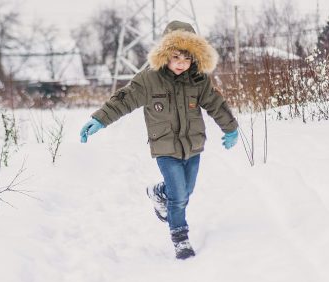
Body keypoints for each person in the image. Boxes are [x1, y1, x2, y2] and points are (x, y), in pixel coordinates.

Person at [80, 20, 239, 260]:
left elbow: (216, 104)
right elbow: (125, 99)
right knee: (178, 195)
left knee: (186, 191)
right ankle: (180, 237)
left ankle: (158, 192)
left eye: (187, 59)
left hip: (193, 146)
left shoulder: (198, 79)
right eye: (176, 58)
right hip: (165, 147)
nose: (181, 65)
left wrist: (231, 129)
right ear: (165, 55)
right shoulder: (149, 79)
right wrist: (100, 119)